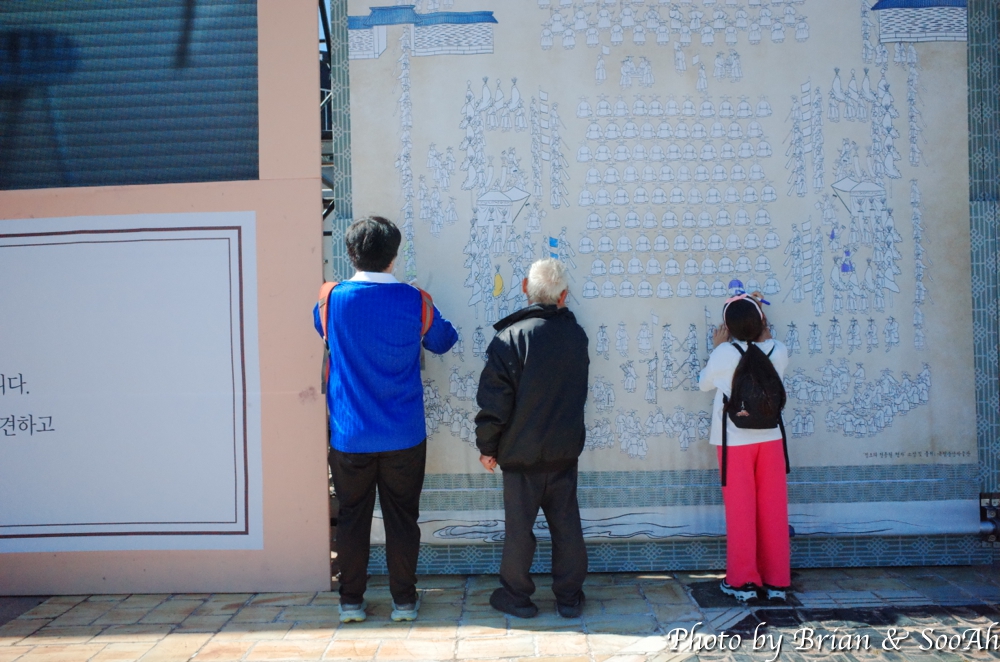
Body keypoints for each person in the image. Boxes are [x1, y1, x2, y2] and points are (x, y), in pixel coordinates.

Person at [314, 216, 457, 623]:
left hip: (350, 435)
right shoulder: (415, 300)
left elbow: (320, 331)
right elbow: (444, 340)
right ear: (394, 256)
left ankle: (351, 602)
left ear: (350, 254)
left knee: (352, 518)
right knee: (402, 518)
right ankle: (404, 602)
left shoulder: (330, 300)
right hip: (403, 434)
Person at [475, 258, 590, 619]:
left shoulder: (510, 338)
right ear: (563, 296)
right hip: (563, 452)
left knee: (519, 531)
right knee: (567, 527)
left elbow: (495, 401)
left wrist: (488, 446)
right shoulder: (576, 335)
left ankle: (517, 597)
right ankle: (569, 598)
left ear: (525, 287)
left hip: (520, 456)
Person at [698, 292, 791, 603]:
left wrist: (717, 347)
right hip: (771, 439)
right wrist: (761, 322)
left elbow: (703, 383)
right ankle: (777, 581)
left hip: (733, 441)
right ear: (761, 321)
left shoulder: (724, 354)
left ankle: (743, 582)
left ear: (728, 327)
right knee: (773, 509)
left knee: (741, 510)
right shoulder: (778, 350)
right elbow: (764, 342)